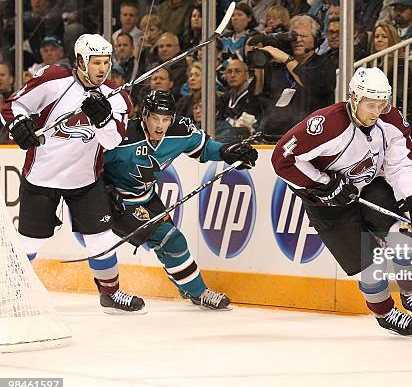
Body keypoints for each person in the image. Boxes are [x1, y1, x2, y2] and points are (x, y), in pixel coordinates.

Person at [271, 67, 412, 336]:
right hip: (326, 203)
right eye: (370, 105)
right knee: (372, 264)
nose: (376, 111)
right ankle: (385, 313)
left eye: (382, 104)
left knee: (403, 236)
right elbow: (282, 159)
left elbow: (400, 164)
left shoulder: (390, 120)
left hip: (368, 187)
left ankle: (411, 294)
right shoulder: (327, 124)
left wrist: (411, 201)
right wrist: (325, 183)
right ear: (354, 98)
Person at [1, 34, 145, 314]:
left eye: (106, 62)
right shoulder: (54, 80)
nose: (102, 69)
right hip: (42, 178)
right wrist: (18, 124)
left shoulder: (116, 98)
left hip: (85, 182)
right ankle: (9, 290)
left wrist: (102, 119)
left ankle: (110, 294)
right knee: (31, 241)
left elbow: (112, 140)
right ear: (80, 61)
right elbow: (12, 105)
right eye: (96, 62)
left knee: (101, 238)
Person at [102, 90, 258, 309]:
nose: (160, 125)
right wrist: (102, 192)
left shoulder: (179, 132)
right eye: (155, 117)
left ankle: (189, 289)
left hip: (146, 198)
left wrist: (228, 151)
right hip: (117, 201)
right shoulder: (121, 136)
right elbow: (89, 165)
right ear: (144, 115)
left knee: (171, 242)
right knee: (168, 237)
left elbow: (204, 148)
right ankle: (197, 292)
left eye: (165, 119)